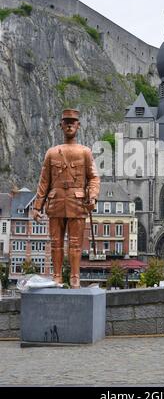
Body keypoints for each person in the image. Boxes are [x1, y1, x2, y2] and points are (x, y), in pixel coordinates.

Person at [33, 109, 100, 288]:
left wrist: (92, 196)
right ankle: (56, 276)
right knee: (56, 243)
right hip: (55, 203)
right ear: (61, 125)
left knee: (76, 244)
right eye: (66, 122)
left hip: (77, 203)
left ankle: (75, 277)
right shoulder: (51, 153)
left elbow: (93, 177)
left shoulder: (85, 152)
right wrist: (37, 207)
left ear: (78, 125)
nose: (70, 125)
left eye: (73, 122)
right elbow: (44, 182)